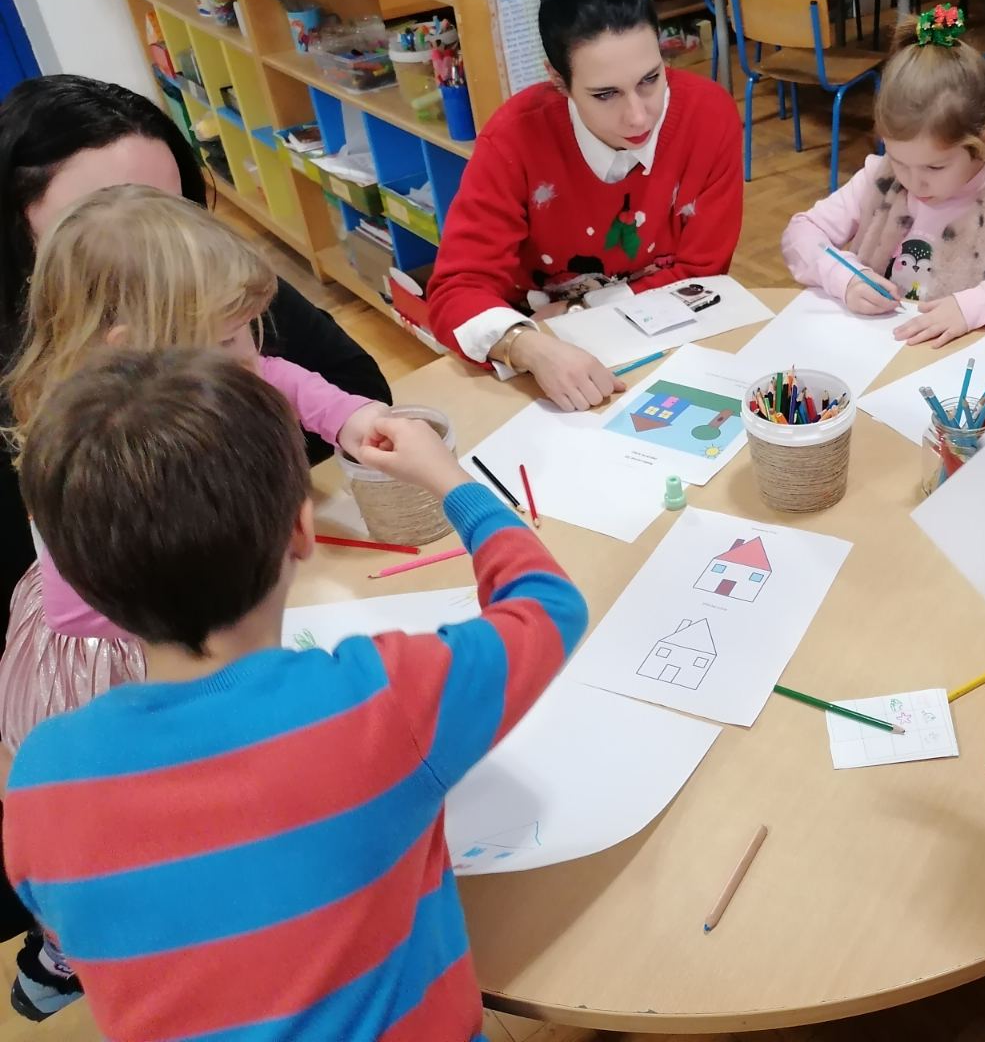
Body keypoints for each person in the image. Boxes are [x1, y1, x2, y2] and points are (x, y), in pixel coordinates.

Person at [4, 347, 587, 1040]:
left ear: (81, 583)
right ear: (302, 531)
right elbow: (549, 606)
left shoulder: (40, 778)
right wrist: (446, 477)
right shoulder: (378, 703)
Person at [0, 187, 390, 1019]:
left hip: (195, 621)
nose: (250, 356)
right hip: (112, 651)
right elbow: (78, 606)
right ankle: (67, 952)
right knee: (123, 822)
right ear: (130, 349)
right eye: (225, 340)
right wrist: (224, 594)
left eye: (247, 329)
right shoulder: (77, 450)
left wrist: (350, 418)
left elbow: (282, 381)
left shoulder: (215, 370)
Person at [0, 74, 391, 599]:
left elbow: (353, 384)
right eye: (103, 217)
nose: (156, 244)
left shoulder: (199, 282)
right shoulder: (51, 403)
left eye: (172, 209)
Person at [428, 0, 743, 411]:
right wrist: (528, 346)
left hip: (662, 341)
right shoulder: (515, 138)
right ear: (558, 80)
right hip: (543, 363)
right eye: (605, 94)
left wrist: (580, 309)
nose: (638, 115)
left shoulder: (708, 115)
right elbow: (455, 291)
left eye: (650, 79)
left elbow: (703, 272)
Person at [782, 5, 985, 347]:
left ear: (984, 143)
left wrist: (982, 305)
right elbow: (800, 233)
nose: (913, 183)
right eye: (899, 160)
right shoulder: (881, 178)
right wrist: (846, 278)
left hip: (963, 370)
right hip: (879, 357)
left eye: (935, 167)